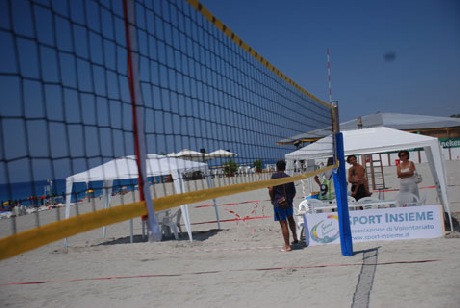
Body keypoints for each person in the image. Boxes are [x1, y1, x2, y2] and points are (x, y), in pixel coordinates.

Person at [268, 160, 299, 252]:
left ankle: (287, 246)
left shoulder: (274, 177)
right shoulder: (288, 177)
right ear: (284, 167)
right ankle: (295, 237)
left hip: (279, 203)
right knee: (290, 219)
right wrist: (289, 200)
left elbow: (270, 189)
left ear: (277, 167)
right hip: (288, 202)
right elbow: (294, 192)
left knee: (283, 223)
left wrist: (272, 199)